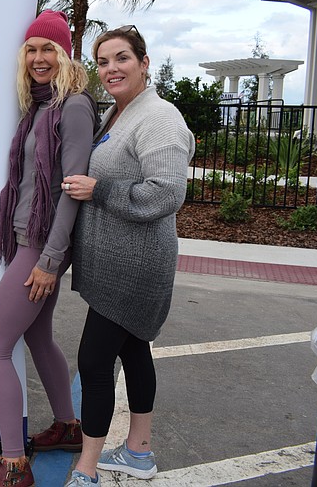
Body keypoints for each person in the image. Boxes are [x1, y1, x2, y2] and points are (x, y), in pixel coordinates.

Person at [0, 10, 99, 487]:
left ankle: (13, 467)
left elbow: (71, 189)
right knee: (38, 337)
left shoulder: (74, 106)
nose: (39, 58)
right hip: (31, 239)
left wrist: (47, 261)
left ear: (65, 55)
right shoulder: (40, 106)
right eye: (32, 49)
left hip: (42, 245)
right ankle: (67, 426)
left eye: (49, 49)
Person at [62, 25, 195, 487]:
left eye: (121, 58)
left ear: (143, 63)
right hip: (115, 264)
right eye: (102, 62)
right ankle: (138, 451)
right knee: (136, 350)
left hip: (136, 267)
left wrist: (99, 190)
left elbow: (166, 194)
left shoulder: (159, 118)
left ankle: (86, 469)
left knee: (95, 363)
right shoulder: (119, 114)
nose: (110, 69)